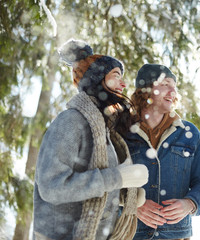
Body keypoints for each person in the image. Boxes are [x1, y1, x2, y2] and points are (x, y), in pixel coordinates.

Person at [33, 39, 149, 240]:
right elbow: (51, 187)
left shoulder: (104, 130)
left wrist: (124, 197)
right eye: (115, 76)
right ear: (96, 79)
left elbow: (91, 188)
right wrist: (117, 178)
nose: (123, 84)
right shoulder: (71, 121)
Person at [123, 63, 200, 239]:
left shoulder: (189, 134)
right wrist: (133, 203)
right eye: (165, 85)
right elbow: (106, 180)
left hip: (176, 235)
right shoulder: (120, 132)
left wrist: (190, 203)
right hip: (131, 234)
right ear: (145, 90)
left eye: (174, 87)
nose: (173, 92)